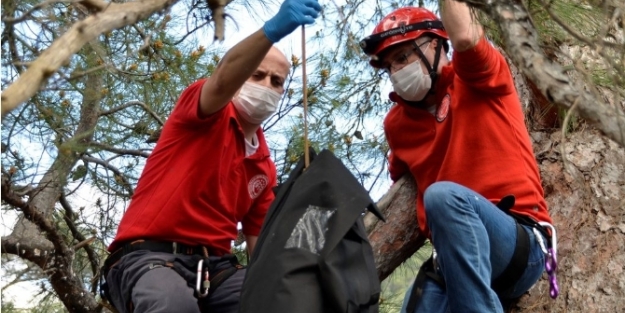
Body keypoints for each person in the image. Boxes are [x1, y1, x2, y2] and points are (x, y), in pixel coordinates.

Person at [101, 0, 322, 312]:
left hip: (216, 270)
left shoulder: (264, 169)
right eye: (257, 75)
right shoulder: (202, 112)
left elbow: (261, 255)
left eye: (276, 82)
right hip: (150, 257)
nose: (266, 86)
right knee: (173, 305)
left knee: (276, 302)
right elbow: (221, 79)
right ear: (240, 78)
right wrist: (271, 32)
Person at [360, 2, 554, 313]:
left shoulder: (476, 77)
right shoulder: (397, 125)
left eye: (402, 57)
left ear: (435, 45)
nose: (397, 72)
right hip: (453, 262)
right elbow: (397, 181)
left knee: (443, 198)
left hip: (517, 240)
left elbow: (464, 37)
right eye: (390, 67)